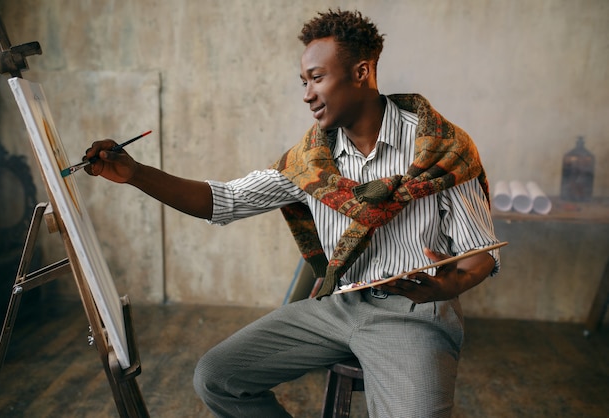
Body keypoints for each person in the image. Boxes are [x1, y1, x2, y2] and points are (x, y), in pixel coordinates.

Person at [85, 9, 500, 418]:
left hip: (413, 314)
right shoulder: (310, 163)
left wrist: (451, 285)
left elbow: (481, 251)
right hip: (339, 304)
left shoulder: (443, 148)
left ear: (361, 72)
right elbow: (224, 200)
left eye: (317, 78)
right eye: (303, 81)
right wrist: (136, 173)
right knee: (217, 376)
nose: (307, 94)